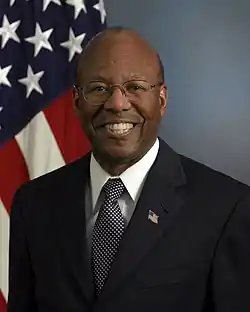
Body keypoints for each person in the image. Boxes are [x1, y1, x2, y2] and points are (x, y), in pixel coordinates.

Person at [8, 27, 250, 312]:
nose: (117, 104)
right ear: (76, 101)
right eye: (99, 88)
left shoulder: (227, 208)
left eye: (135, 87)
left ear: (161, 100)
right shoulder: (33, 204)